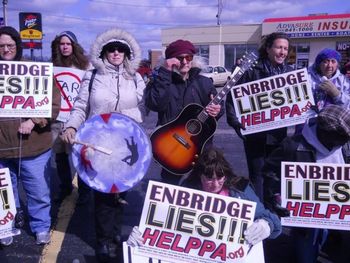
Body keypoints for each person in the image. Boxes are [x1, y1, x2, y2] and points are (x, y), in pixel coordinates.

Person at [61, 28, 146, 263]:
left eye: (121, 49)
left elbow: (144, 108)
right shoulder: (91, 77)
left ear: (127, 53)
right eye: (111, 49)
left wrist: (127, 123)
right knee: (103, 195)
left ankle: (115, 233)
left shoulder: (136, 78)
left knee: (121, 192)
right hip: (98, 145)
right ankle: (103, 241)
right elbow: (80, 107)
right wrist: (71, 127)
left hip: (126, 146)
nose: (116, 53)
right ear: (104, 52)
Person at [127, 147, 281, 251]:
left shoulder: (239, 189)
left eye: (220, 176)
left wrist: (266, 225)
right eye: (209, 178)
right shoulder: (187, 191)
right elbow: (161, 223)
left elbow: (271, 220)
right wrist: (142, 234)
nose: (215, 183)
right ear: (199, 176)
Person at [263, 104, 350, 263]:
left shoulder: (345, 145)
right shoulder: (292, 146)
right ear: (324, 133)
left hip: (340, 215)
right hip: (307, 221)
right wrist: (275, 195)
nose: (345, 140)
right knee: (306, 258)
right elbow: (270, 171)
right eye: (341, 138)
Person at [0, 26, 60, 246]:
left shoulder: (36, 70)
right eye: (1, 46)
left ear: (18, 45)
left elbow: (53, 105)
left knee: (38, 191)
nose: (6, 49)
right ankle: (6, 225)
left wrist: (33, 120)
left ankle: (41, 226)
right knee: (4, 193)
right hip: (1, 147)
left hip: (33, 146)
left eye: (10, 45)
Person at [226, 32, 294, 200]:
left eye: (285, 48)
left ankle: (272, 209)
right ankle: (259, 210)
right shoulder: (251, 71)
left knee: (274, 174)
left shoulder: (290, 73)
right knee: (257, 174)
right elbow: (233, 96)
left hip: (278, 134)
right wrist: (235, 122)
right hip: (256, 134)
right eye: (279, 47)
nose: (282, 52)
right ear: (269, 48)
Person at [145, 39, 223, 185]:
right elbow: (155, 104)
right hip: (171, 147)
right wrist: (165, 73)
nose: (185, 62)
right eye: (180, 58)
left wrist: (218, 110)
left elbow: (218, 108)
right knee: (171, 187)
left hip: (200, 146)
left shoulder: (204, 82)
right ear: (170, 60)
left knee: (201, 188)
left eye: (189, 57)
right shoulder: (161, 80)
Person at [51, 30, 91, 204]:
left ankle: (84, 191)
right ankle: (65, 186)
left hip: (77, 118)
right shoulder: (52, 65)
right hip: (57, 118)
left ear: (74, 45)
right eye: (62, 44)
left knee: (79, 156)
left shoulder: (86, 66)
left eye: (68, 43)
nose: (65, 47)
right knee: (60, 156)